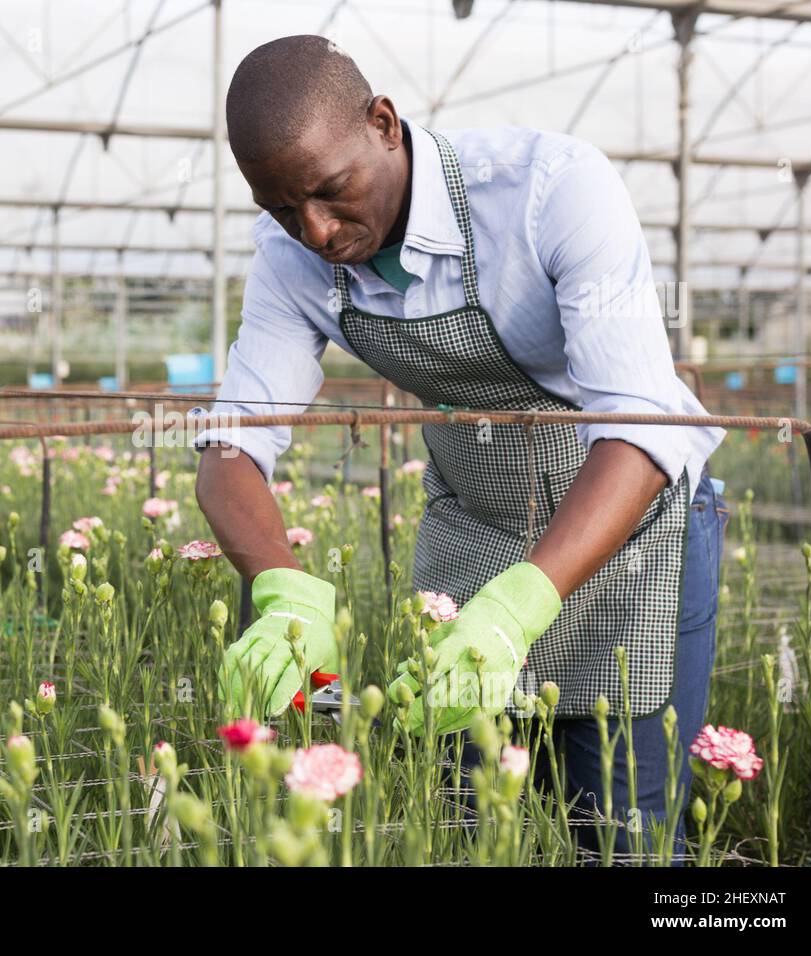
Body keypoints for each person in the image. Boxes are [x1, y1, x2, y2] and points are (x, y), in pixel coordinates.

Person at [192, 34, 727, 857]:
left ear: (383, 123)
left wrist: (518, 609)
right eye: (283, 211)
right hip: (478, 522)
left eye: (331, 193)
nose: (318, 232)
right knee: (470, 821)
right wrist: (281, 588)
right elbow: (232, 442)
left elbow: (640, 421)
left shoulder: (549, 189)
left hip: (628, 526)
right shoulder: (288, 260)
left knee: (622, 825)